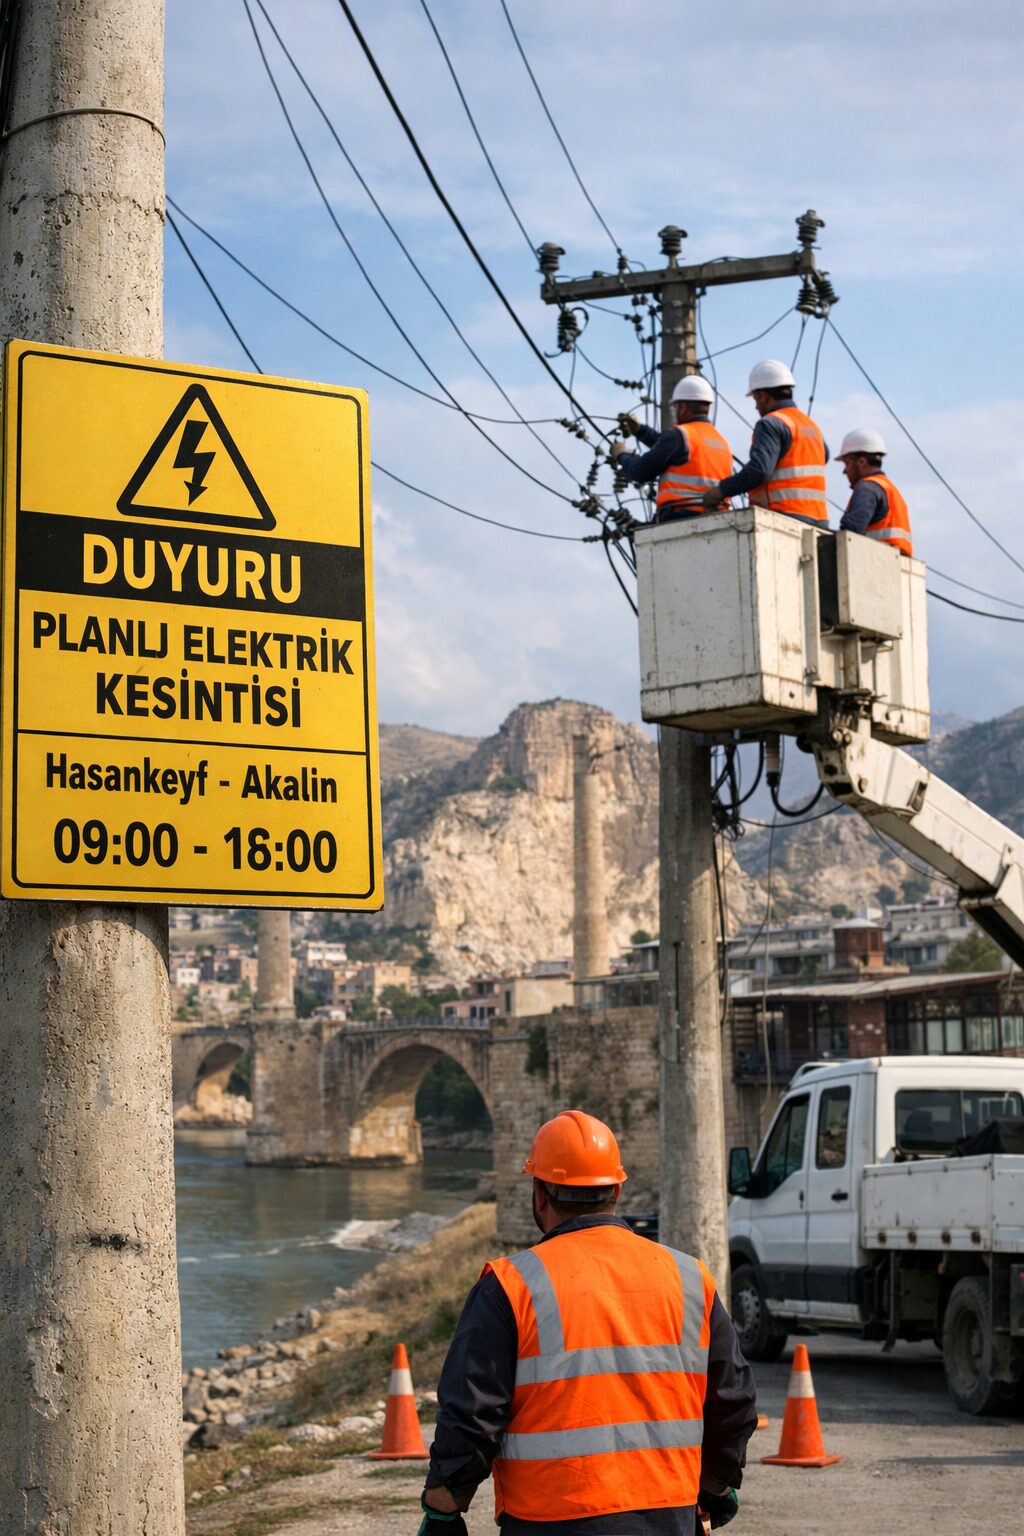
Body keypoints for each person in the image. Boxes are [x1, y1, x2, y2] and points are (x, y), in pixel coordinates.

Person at [418, 1110, 758, 1536]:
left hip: (549, 1520)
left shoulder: (510, 1285)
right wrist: (715, 1485)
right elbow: (733, 1399)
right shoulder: (690, 1278)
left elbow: (472, 1411)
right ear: (616, 1188)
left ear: (539, 1194)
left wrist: (443, 1507)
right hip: (670, 1515)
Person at [702, 359, 828, 525]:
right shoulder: (811, 426)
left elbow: (759, 470)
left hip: (784, 516)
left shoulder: (770, 423)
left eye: (755, 399)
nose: (756, 407)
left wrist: (721, 490)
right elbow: (823, 456)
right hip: (819, 519)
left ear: (763, 396)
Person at [607, 376, 733, 522]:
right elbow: (669, 450)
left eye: (676, 407)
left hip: (680, 517)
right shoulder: (722, 443)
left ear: (683, 407)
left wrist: (621, 454)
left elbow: (640, 471)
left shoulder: (680, 435)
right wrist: (640, 430)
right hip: (718, 520)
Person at [835, 428, 913, 555]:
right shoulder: (889, 489)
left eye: (847, 463)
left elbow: (850, 533)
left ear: (862, 462)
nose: (845, 471)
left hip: (876, 564)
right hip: (896, 565)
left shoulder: (867, 488)